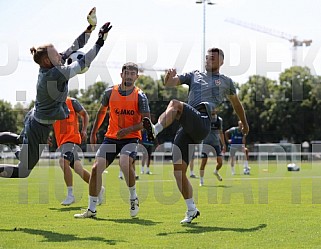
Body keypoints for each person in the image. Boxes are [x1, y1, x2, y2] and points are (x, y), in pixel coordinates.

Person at [0, 8, 112, 178]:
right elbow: (83, 62)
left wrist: (90, 28)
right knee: (23, 171)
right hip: (38, 126)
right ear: (47, 60)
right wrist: (100, 42)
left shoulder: (51, 65)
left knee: (18, 141)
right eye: (55, 54)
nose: (60, 55)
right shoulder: (55, 74)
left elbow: (75, 46)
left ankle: (20, 144)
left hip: (35, 119)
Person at [143, 47, 249, 224]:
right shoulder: (194, 74)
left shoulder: (226, 82)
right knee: (178, 172)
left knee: (175, 104)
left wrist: (245, 124)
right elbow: (170, 83)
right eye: (207, 57)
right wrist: (167, 77)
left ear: (221, 62)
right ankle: (191, 209)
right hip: (187, 126)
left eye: (213, 58)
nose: (209, 60)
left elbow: (237, 105)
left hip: (203, 120)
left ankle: (155, 130)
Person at [74, 62, 151, 219]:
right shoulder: (109, 93)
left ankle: (133, 198)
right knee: (96, 169)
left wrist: (128, 130)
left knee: (124, 163)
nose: (129, 76)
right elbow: (101, 113)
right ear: (121, 74)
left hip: (130, 138)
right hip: (111, 138)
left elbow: (146, 122)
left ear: (136, 77)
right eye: (126, 73)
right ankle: (91, 209)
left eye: (132, 74)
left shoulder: (140, 96)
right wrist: (93, 132)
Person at [52, 97, 105, 205]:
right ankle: (99, 188)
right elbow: (47, 123)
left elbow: (84, 114)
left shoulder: (71, 102)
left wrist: (84, 130)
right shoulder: (50, 105)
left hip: (72, 140)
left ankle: (70, 195)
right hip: (62, 142)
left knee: (63, 161)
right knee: (79, 169)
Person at [199, 111, 226, 186]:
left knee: (220, 162)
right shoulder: (205, 119)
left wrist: (224, 144)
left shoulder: (219, 120)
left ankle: (216, 171)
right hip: (206, 144)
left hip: (216, 144)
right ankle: (201, 181)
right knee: (203, 162)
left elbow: (221, 132)